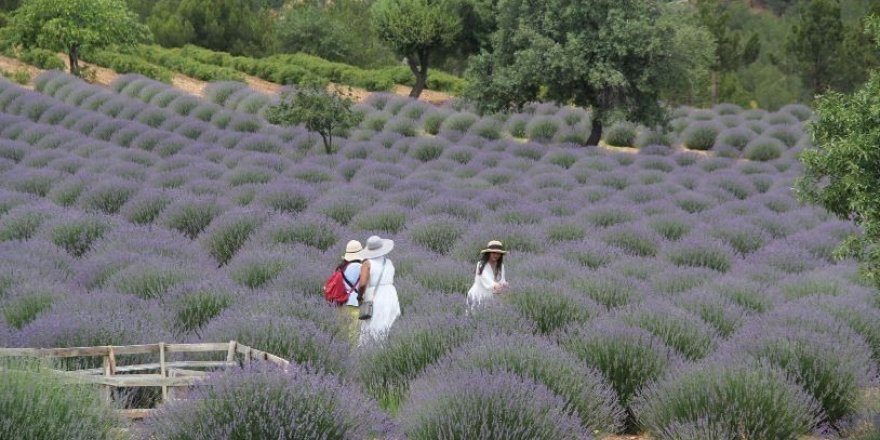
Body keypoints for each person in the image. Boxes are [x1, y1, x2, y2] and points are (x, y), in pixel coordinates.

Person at [357, 235, 400, 346]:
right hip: (391, 294)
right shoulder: (389, 262)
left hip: (375, 297)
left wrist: (359, 297)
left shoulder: (367, 264)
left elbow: (362, 284)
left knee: (373, 326)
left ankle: (372, 353)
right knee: (389, 324)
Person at [467, 240, 508, 308]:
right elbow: (487, 279)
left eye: (498, 253)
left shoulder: (501, 266)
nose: (496, 255)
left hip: (491, 296)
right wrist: (496, 286)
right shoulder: (481, 265)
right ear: (488, 253)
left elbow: (502, 280)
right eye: (493, 253)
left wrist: (505, 284)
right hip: (478, 296)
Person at [339, 240, 363, 343]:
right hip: (355, 305)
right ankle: (352, 358)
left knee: (342, 334)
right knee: (354, 336)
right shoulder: (362, 268)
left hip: (342, 304)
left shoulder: (342, 267)